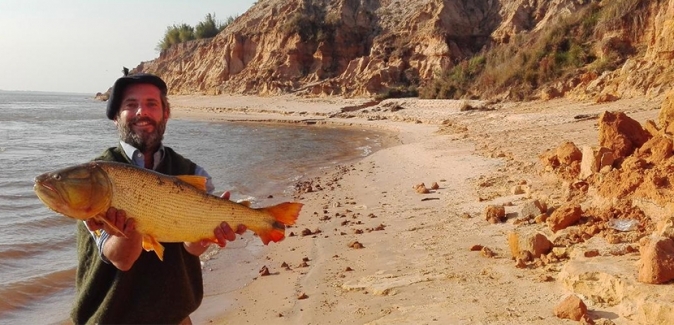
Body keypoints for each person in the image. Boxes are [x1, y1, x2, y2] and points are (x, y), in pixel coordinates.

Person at [72, 73, 245, 324]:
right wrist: (131, 226)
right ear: (115, 117)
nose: (142, 111)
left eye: (152, 104)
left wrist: (212, 233)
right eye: (130, 105)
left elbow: (192, 247)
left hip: (176, 317)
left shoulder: (192, 172)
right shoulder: (94, 178)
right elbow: (122, 259)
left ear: (166, 114)